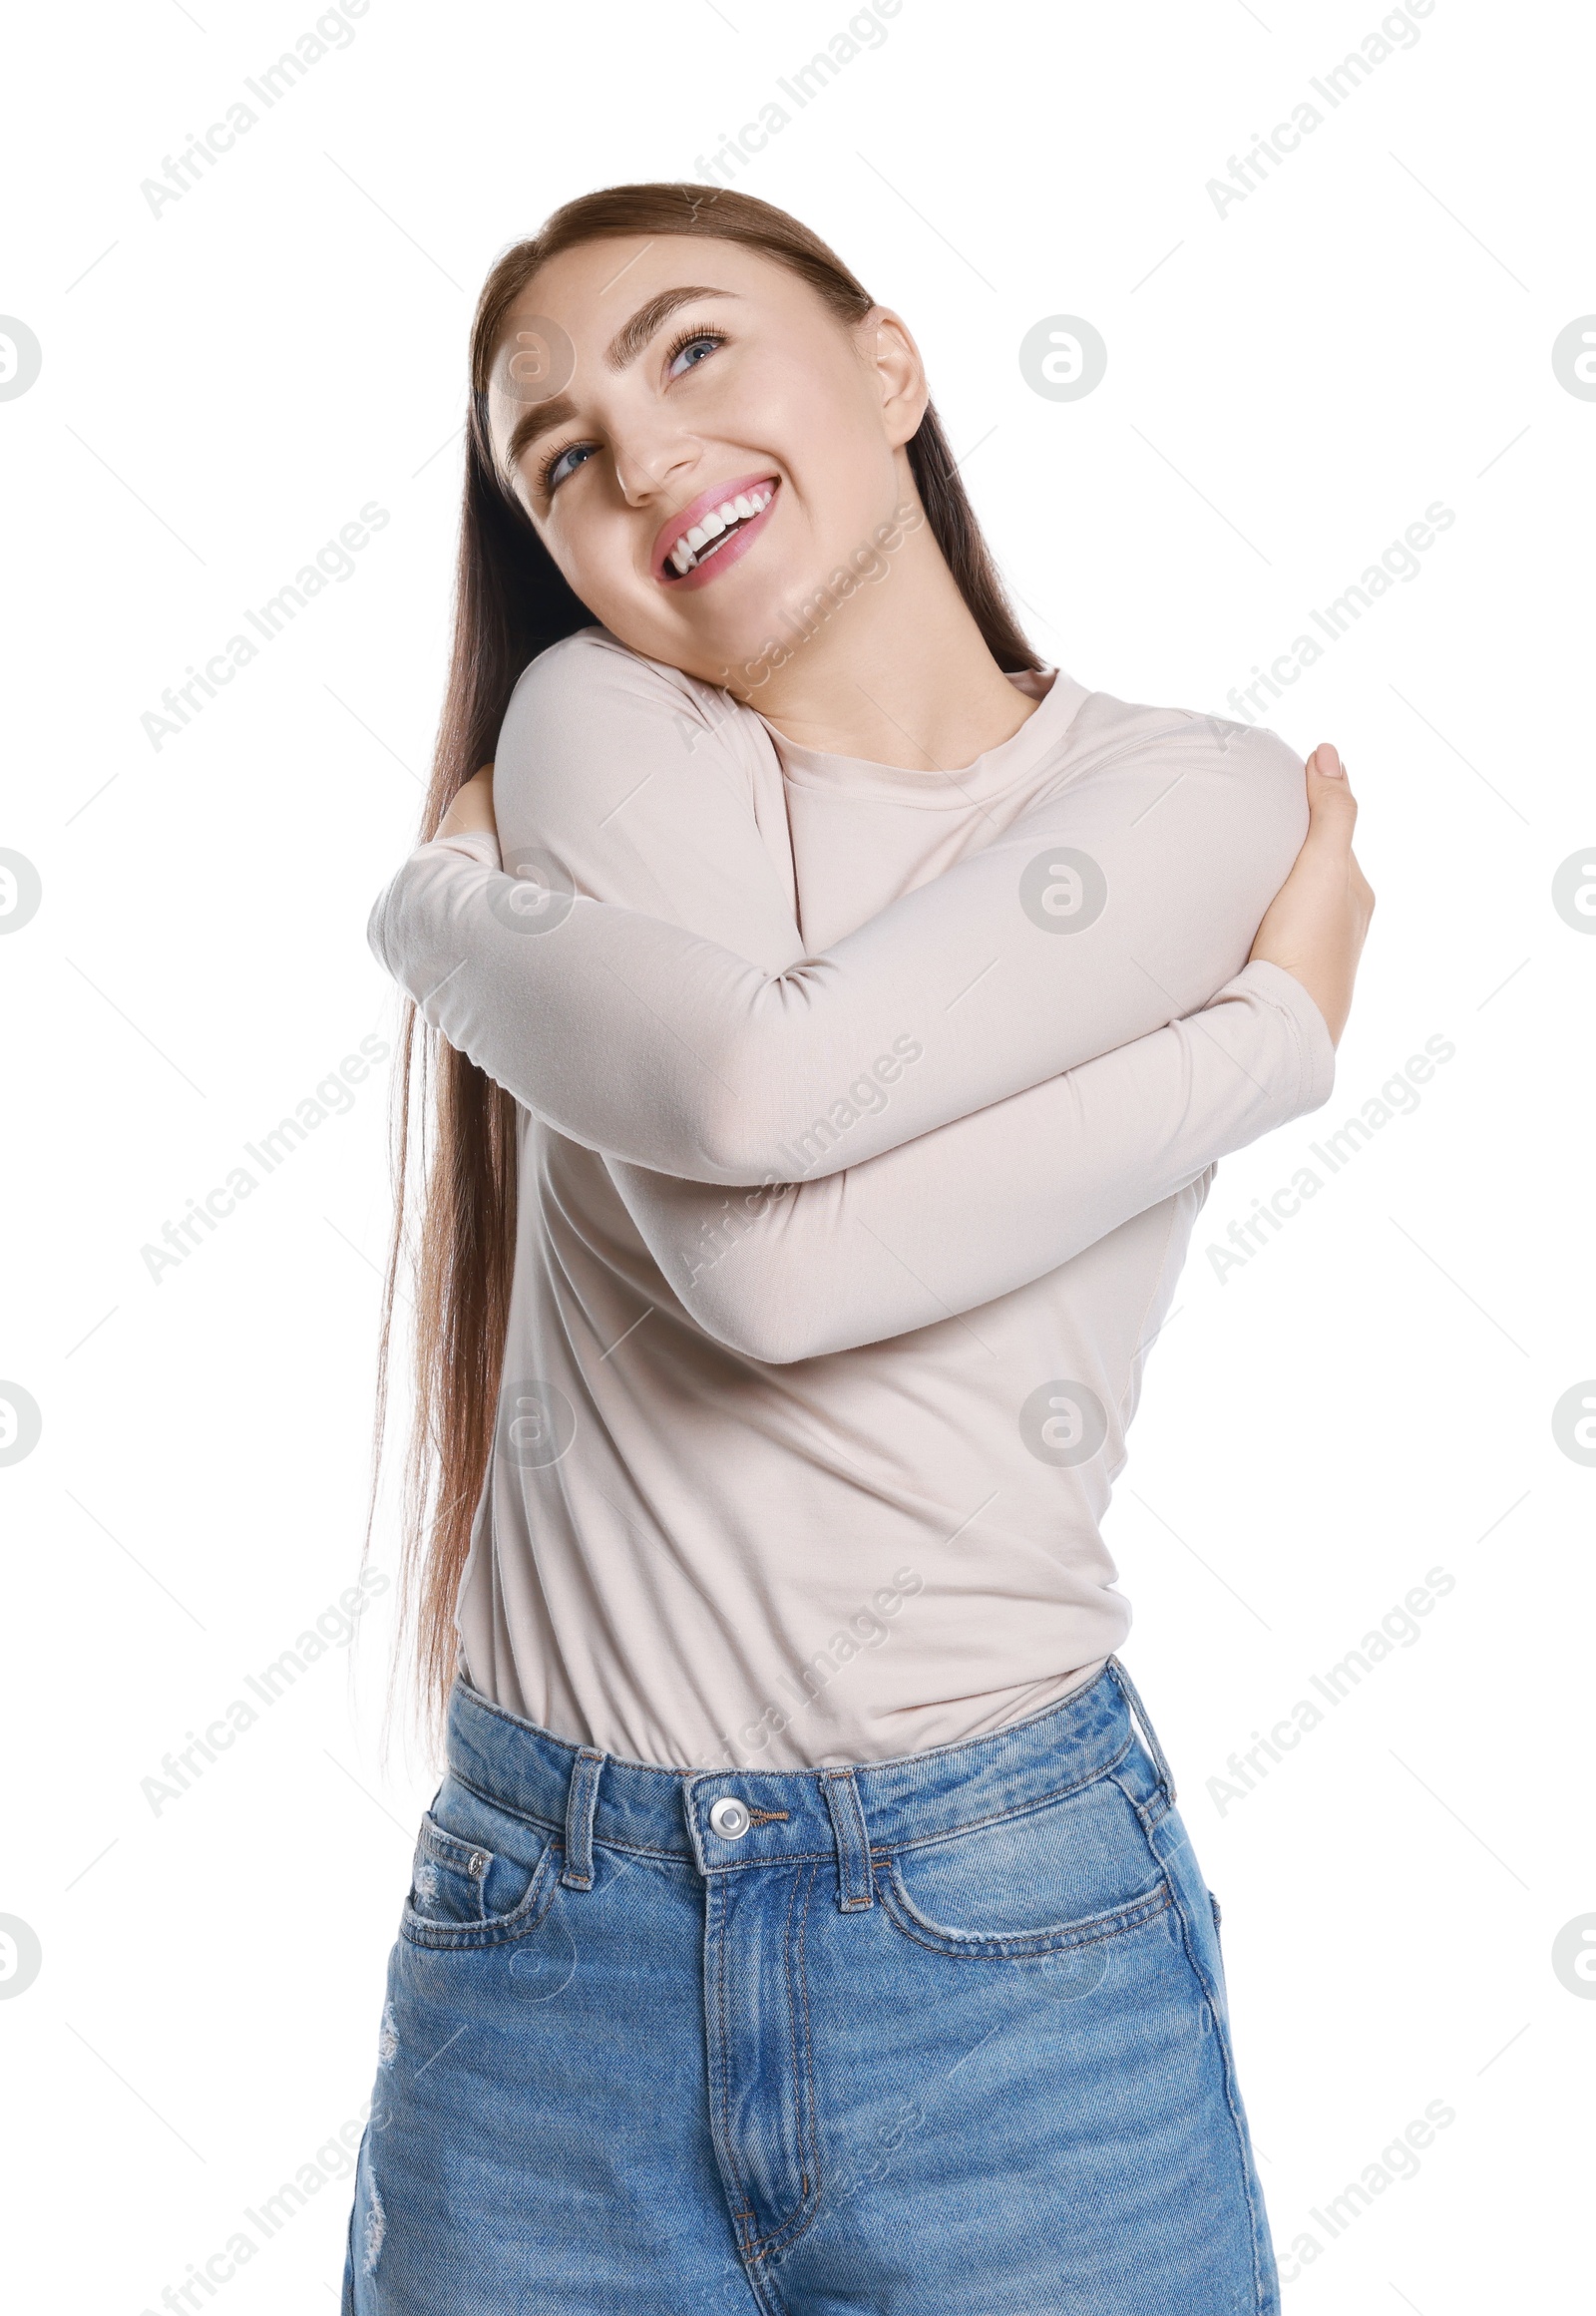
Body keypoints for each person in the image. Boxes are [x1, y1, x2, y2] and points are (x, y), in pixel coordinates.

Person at [342, 182, 1374, 2315]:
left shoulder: (1185, 798)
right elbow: (762, 1171)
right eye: (558, 454)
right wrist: (1260, 1041)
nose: (637, 459)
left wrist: (447, 919)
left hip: (1002, 1932)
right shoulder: (598, 731)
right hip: (550, 1933)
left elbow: (765, 1230)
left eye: (689, 348)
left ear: (887, 367)